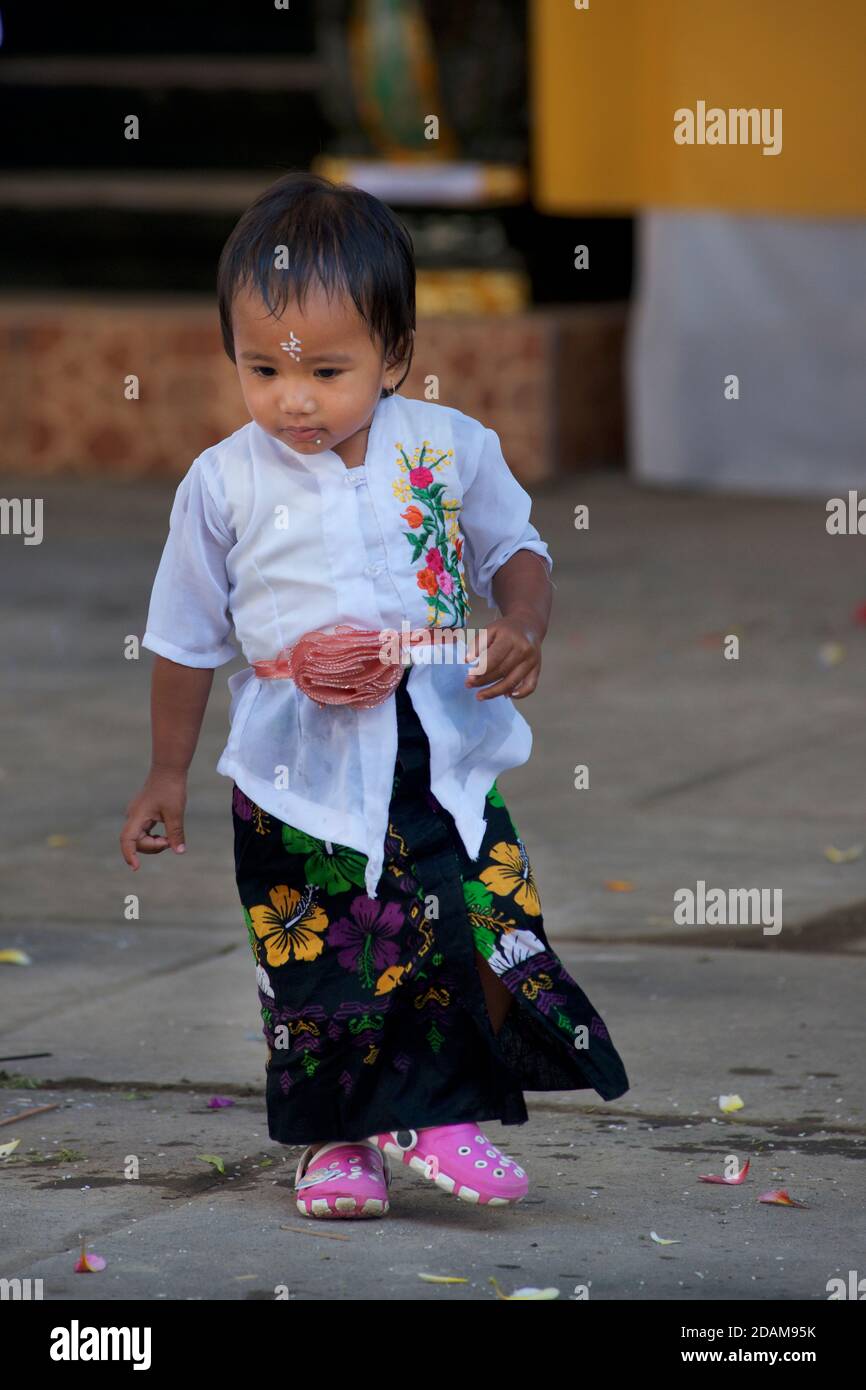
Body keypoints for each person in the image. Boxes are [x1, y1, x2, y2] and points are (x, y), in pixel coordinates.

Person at [120, 170, 629, 1220]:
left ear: (394, 356)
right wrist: (167, 770)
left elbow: (517, 551)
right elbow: (181, 638)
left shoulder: (447, 449)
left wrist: (519, 628)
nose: (290, 398)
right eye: (261, 368)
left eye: (326, 369)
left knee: (477, 922)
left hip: (438, 748)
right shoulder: (222, 483)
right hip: (292, 771)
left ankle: (438, 1113)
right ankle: (333, 1146)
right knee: (319, 964)